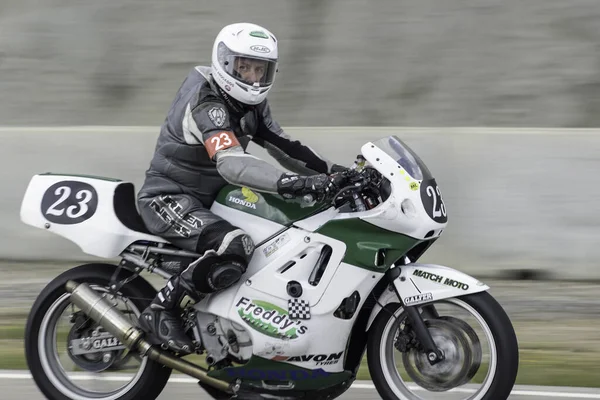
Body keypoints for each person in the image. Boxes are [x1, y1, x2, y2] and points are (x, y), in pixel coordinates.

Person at [136, 22, 348, 354]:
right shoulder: (207, 102)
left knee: (276, 244)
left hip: (212, 200)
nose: (252, 77)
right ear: (224, 62)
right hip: (170, 197)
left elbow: (286, 147)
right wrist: (288, 184)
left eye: (259, 69)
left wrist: (339, 174)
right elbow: (231, 162)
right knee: (237, 245)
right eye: (243, 67)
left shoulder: (251, 106)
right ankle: (163, 310)